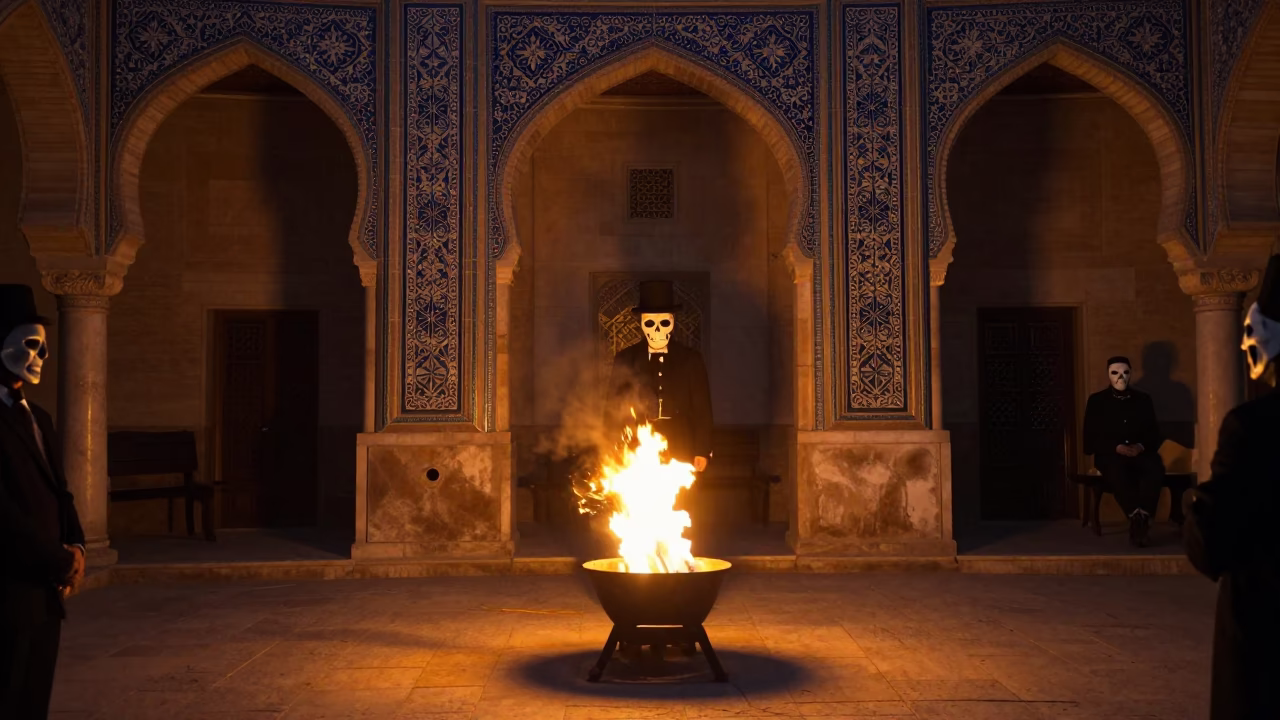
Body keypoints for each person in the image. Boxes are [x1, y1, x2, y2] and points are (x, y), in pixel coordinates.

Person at [1183, 254, 1280, 719]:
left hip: (1266, 628)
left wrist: (1196, 505)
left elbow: (1213, 544)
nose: (1244, 342)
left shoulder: (1254, 427)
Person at [0, 284, 86, 718]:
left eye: (44, 348)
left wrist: (78, 546)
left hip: (45, 593)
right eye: (31, 345)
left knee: (33, 700)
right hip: (8, 589)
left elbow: (60, 489)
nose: (41, 358)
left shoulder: (40, 417)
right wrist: (57, 559)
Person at [603, 280, 713, 471]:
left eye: (664, 323)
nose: (657, 330)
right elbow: (613, 406)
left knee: (680, 490)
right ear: (642, 324)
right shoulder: (626, 358)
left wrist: (702, 450)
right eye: (650, 323)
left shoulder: (690, 359)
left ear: (672, 322)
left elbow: (702, 408)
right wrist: (609, 446)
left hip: (681, 444)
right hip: (637, 445)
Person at [1082, 355, 1164, 546]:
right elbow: (1090, 437)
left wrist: (1140, 446)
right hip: (1110, 455)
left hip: (1139, 454)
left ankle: (1141, 516)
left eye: (1125, 372)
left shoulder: (1143, 399)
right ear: (1108, 374)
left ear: (1131, 373)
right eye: (1115, 373)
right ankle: (1138, 517)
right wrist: (1115, 447)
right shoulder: (1096, 401)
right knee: (1117, 471)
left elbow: (1154, 433)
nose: (1121, 377)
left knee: (1155, 467)